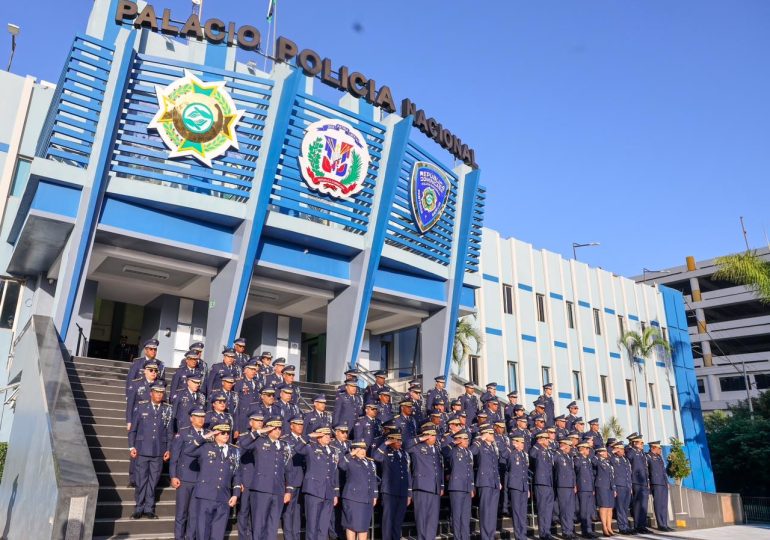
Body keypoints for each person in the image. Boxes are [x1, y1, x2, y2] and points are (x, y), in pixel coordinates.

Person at [185, 423, 242, 540]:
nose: (226, 435)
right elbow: (188, 450)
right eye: (222, 432)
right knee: (203, 532)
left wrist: (236, 495)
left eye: (227, 432)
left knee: (218, 534)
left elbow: (237, 474)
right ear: (215, 434)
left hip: (223, 496)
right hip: (205, 495)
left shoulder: (234, 451)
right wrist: (205, 436)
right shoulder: (206, 447)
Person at [239, 417, 292, 540]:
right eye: (274, 428)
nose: (278, 430)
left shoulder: (284, 445)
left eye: (279, 428)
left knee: (273, 525)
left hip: (278, 490)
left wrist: (288, 490)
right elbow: (243, 444)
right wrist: (258, 432)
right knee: (259, 524)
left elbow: (289, 469)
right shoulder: (259, 441)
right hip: (261, 489)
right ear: (268, 429)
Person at [128, 382, 172, 519]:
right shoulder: (141, 407)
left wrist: (169, 449)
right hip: (142, 449)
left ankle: (149, 508)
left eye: (161, 393)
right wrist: (131, 446)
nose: (159, 395)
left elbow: (170, 432)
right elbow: (133, 429)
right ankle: (139, 507)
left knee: (153, 481)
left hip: (159, 450)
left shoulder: (168, 410)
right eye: (156, 392)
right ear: (151, 393)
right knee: (141, 480)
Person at [295, 427, 340, 540]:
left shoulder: (333, 451)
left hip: (328, 492)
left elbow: (334, 472)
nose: (327, 437)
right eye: (324, 435)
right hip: (314, 491)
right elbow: (297, 448)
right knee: (312, 525)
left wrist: (335, 493)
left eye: (328, 435)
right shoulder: (311, 447)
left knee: (323, 526)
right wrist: (309, 436)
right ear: (318, 437)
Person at [170, 407, 206, 539]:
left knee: (194, 514)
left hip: (200, 479)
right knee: (181, 513)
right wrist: (173, 476)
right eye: (197, 416)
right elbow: (174, 457)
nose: (201, 419)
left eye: (202, 417)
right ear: (191, 418)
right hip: (184, 477)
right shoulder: (183, 433)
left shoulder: (208, 434)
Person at [406, 426, 444, 540]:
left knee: (433, 519)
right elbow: (405, 446)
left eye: (434, 435)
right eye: (431, 435)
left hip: (435, 487)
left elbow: (440, 468)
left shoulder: (436, 449)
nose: (434, 437)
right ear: (426, 436)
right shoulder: (417, 448)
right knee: (422, 518)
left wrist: (441, 485)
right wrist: (419, 439)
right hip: (422, 486)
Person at [374, 432, 412, 540]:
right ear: (391, 441)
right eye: (396, 440)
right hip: (389, 492)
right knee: (388, 520)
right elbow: (376, 457)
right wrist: (385, 443)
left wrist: (409, 492)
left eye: (400, 440)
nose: (399, 442)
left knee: (398, 520)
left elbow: (407, 473)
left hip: (402, 491)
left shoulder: (404, 454)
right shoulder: (385, 452)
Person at [338, 440, 379, 540]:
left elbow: (373, 480)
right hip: (353, 498)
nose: (363, 451)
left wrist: (375, 496)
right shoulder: (350, 460)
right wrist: (351, 454)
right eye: (359, 449)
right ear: (353, 450)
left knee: (364, 527)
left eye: (364, 448)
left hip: (367, 498)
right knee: (351, 525)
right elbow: (341, 465)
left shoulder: (370, 462)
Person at [471, 425, 504, 540]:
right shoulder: (479, 444)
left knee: (493, 511)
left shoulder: (492, 447)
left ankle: (491, 535)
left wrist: (498, 481)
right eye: (491, 433)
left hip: (494, 482)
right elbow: (472, 452)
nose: (493, 435)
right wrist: (481, 439)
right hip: (484, 481)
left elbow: (496, 466)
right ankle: (485, 537)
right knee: (485, 511)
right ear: (485, 434)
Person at [236, 411, 265, 540]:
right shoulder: (244, 436)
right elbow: (238, 456)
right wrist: (239, 480)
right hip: (246, 478)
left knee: (258, 512)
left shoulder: (266, 437)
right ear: (250, 422)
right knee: (244, 511)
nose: (260, 423)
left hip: (260, 480)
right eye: (257, 420)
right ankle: (244, 536)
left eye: (261, 421)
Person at [442, 429, 474, 540]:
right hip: (456, 487)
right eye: (464, 439)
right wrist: (453, 443)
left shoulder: (468, 452)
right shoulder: (453, 451)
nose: (467, 441)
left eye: (467, 438)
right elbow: (444, 452)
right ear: (458, 439)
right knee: (456, 516)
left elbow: (470, 471)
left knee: (465, 516)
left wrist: (472, 487)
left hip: (466, 487)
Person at [282, 417, 307, 540]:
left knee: (297, 511)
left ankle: (296, 536)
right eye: (297, 424)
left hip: (303, 480)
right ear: (291, 426)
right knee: (289, 511)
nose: (300, 427)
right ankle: (289, 536)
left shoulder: (305, 440)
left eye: (301, 425)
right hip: (291, 479)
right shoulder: (286, 440)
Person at [530, 432, 555, 540]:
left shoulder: (548, 451)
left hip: (549, 483)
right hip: (541, 483)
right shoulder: (536, 449)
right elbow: (532, 454)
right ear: (541, 439)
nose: (548, 440)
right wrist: (537, 444)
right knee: (542, 508)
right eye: (546, 438)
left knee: (548, 509)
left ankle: (547, 531)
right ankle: (543, 533)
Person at [506, 436, 529, 540]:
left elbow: (525, 472)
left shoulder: (524, 455)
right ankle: (518, 535)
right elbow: (508, 462)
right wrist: (512, 447)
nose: (523, 444)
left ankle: (523, 534)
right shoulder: (512, 454)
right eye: (520, 442)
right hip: (515, 486)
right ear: (515, 443)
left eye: (523, 442)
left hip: (523, 486)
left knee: (523, 512)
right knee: (516, 512)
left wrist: (527, 488)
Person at [647, 441, 674, 532]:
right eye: (659, 448)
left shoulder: (659, 457)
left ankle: (665, 523)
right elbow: (647, 471)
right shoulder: (648, 456)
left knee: (664, 504)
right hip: (656, 482)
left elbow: (663, 471)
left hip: (663, 483)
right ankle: (661, 524)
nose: (661, 450)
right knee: (658, 504)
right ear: (653, 448)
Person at [553, 439, 577, 540]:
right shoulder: (558, 455)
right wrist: (560, 450)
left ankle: (570, 530)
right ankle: (566, 531)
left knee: (570, 510)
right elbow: (553, 460)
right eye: (568, 446)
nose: (570, 448)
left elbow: (572, 472)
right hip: (562, 485)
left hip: (570, 485)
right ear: (564, 445)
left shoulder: (569, 456)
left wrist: (574, 484)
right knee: (564, 509)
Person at [627, 435, 651, 533]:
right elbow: (629, 465)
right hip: (636, 481)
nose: (643, 445)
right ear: (636, 443)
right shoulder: (631, 452)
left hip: (643, 481)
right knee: (638, 504)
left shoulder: (641, 454)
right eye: (641, 443)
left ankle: (643, 525)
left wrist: (647, 481)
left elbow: (645, 469)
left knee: (644, 504)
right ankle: (638, 525)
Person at [574, 441, 597, 539]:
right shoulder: (577, 459)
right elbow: (576, 471)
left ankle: (589, 530)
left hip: (589, 488)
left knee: (588, 510)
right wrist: (579, 455)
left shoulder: (587, 460)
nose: (589, 450)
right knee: (584, 511)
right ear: (582, 449)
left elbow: (591, 475)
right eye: (587, 448)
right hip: (582, 488)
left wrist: (592, 487)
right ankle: (585, 531)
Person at [611, 440, 633, 535]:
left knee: (625, 507)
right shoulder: (613, 459)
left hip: (627, 485)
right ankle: (622, 527)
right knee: (620, 508)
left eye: (623, 449)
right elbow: (606, 459)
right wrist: (613, 451)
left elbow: (629, 473)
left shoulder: (625, 459)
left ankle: (626, 526)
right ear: (616, 450)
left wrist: (630, 486)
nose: (623, 451)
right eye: (621, 449)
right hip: (619, 485)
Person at [594, 446, 616, 537]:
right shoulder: (598, 461)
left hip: (610, 486)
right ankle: (604, 527)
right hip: (602, 486)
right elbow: (593, 461)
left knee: (610, 507)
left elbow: (612, 476)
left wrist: (614, 488)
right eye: (605, 452)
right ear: (600, 452)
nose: (607, 453)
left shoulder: (608, 462)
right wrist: (599, 455)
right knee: (603, 506)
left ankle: (609, 526)